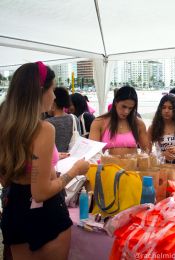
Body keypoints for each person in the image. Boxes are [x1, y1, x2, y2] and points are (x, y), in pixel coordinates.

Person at [0, 62, 89, 259]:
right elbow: (40, 192)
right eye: (52, 89)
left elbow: (5, 179)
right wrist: (75, 170)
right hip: (46, 215)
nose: (55, 96)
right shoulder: (43, 129)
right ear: (40, 92)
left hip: (14, 210)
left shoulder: (5, 125)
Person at [89, 85, 149, 156]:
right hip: (108, 166)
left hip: (133, 166)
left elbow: (146, 151)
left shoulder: (138, 123)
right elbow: (93, 153)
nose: (126, 111)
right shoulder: (99, 122)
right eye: (124, 106)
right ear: (116, 102)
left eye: (130, 108)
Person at [147, 94, 175, 163]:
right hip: (161, 167)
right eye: (164, 107)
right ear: (160, 109)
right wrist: (162, 154)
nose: (166, 111)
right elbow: (147, 153)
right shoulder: (153, 128)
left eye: (170, 108)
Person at [46, 87, 81, 153]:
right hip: (72, 160)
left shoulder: (47, 123)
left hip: (55, 161)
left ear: (53, 104)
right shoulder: (74, 118)